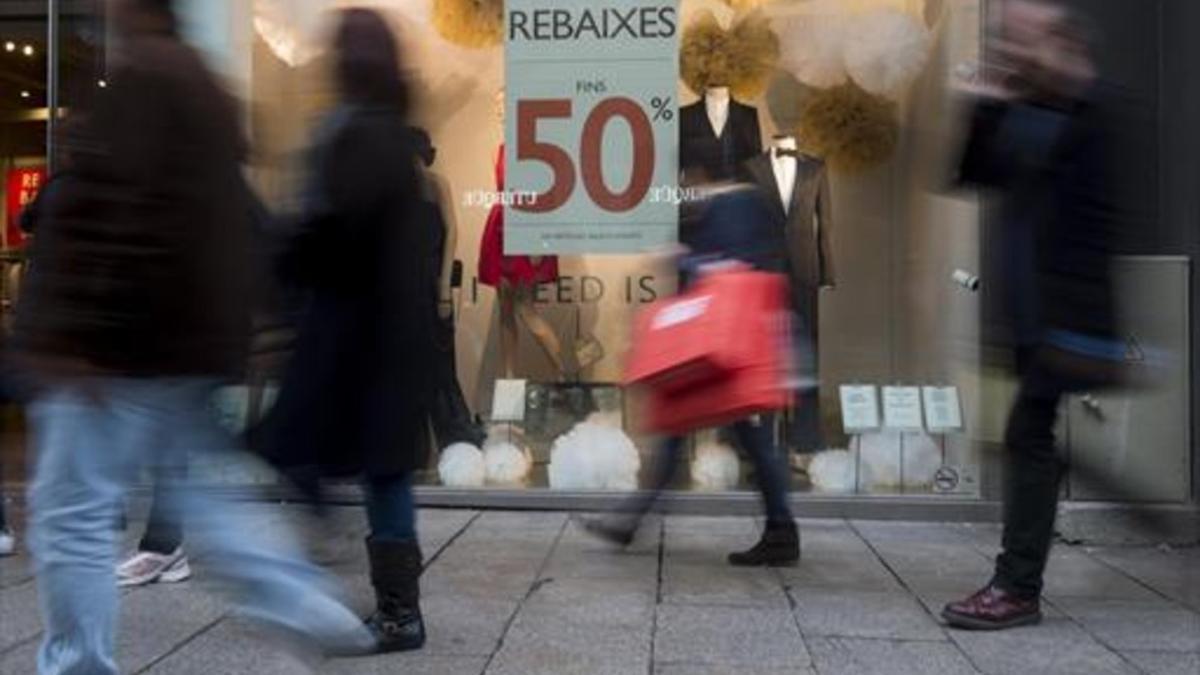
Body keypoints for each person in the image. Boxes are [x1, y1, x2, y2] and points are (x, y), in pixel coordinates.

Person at [13, 1, 376, 672]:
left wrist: (72, 333)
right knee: (204, 498)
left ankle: (78, 664)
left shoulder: (144, 80)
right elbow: (229, 222)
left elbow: (116, 220)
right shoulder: (204, 87)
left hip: (115, 349)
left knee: (71, 513)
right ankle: (303, 600)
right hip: (181, 344)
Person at [942, 0, 1123, 630]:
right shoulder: (1027, 107)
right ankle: (1027, 559)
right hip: (1027, 314)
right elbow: (970, 175)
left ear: (1061, 41)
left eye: (1024, 38)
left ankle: (1016, 588)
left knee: (1025, 435)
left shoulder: (1092, 111)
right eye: (1006, 37)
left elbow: (1096, 220)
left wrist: (1073, 318)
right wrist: (984, 103)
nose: (1013, 49)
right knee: (1031, 437)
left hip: (1063, 313)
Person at [262, 8, 435, 653]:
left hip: (356, 335)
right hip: (389, 336)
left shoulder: (354, 135)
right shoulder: (395, 135)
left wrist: (287, 252)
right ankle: (400, 612)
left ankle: (395, 611)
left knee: (307, 449)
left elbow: (335, 236)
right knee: (381, 472)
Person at [586, 172, 801, 566]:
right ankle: (630, 520)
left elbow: (733, 271)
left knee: (750, 442)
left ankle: (782, 531)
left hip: (731, 355)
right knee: (683, 434)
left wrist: (682, 256)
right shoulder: (733, 203)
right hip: (717, 353)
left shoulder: (738, 204)